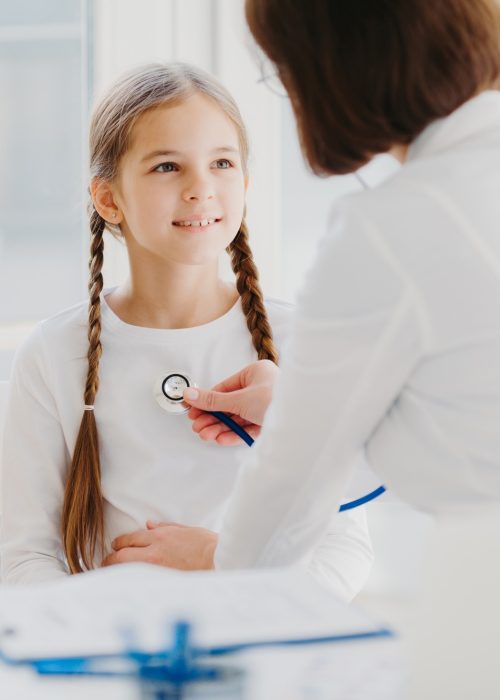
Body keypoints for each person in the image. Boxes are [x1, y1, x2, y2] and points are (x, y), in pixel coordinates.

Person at [136, 0, 500, 571]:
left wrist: (218, 558)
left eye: (282, 72)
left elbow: (296, 481)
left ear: (332, 69)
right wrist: (299, 407)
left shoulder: (392, 230)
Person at [0, 62, 373, 600]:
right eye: (167, 167)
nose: (202, 188)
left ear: (243, 183)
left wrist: (225, 571)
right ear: (109, 198)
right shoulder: (54, 356)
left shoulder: (303, 345)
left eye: (221, 162)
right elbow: (27, 558)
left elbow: (344, 546)